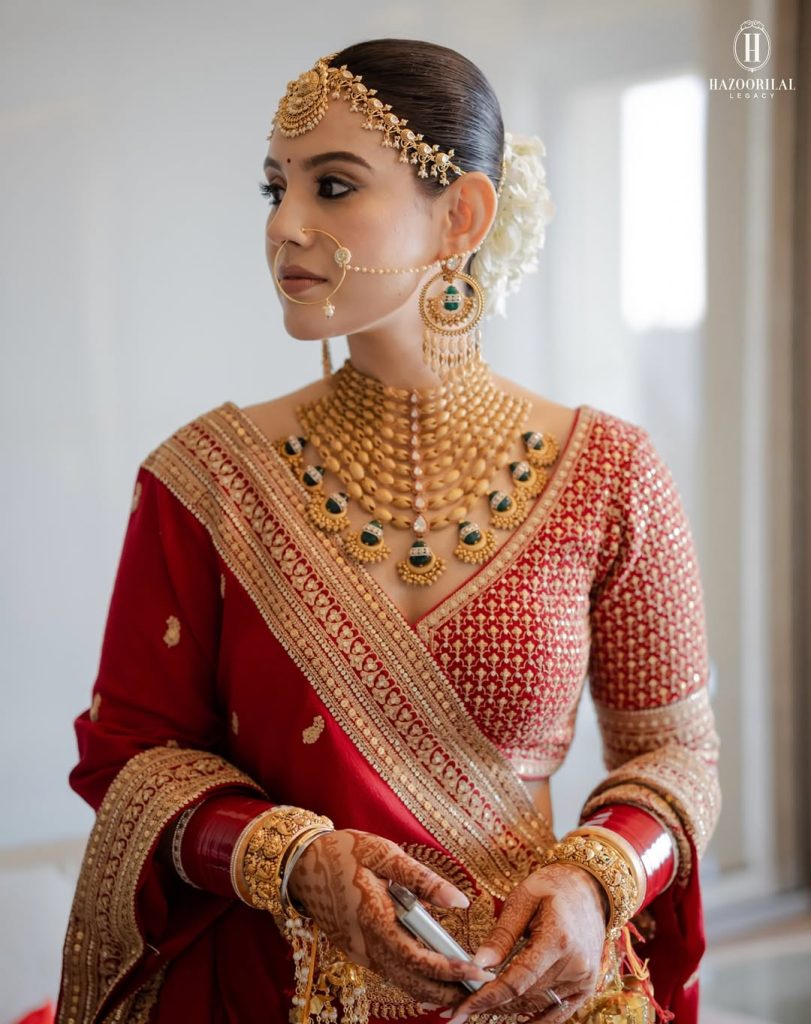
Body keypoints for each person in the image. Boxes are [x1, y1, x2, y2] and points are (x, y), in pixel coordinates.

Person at [56, 38, 720, 1024]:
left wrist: (598, 879)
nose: (284, 224)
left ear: (461, 215)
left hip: (537, 989)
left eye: (331, 186)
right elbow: (131, 756)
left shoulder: (609, 473)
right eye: (272, 187)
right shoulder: (204, 482)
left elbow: (675, 757)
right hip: (274, 988)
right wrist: (297, 859)